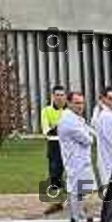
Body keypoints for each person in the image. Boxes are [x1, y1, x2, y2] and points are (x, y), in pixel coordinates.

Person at [57, 92, 97, 222]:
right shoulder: (69, 120)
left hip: (82, 160)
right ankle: (79, 220)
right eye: (77, 103)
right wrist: (90, 135)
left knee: (82, 191)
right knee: (77, 191)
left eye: (82, 103)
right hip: (75, 161)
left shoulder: (76, 118)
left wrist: (90, 133)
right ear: (69, 103)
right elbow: (88, 139)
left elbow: (91, 132)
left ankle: (81, 217)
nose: (81, 106)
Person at [41, 85, 67, 215]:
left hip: (69, 146)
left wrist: (56, 127)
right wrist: (62, 128)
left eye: (62, 95)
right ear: (52, 96)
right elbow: (47, 131)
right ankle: (57, 203)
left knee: (74, 174)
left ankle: (76, 203)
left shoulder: (70, 111)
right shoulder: (46, 111)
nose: (60, 97)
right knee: (55, 176)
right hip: (54, 146)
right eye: (57, 95)